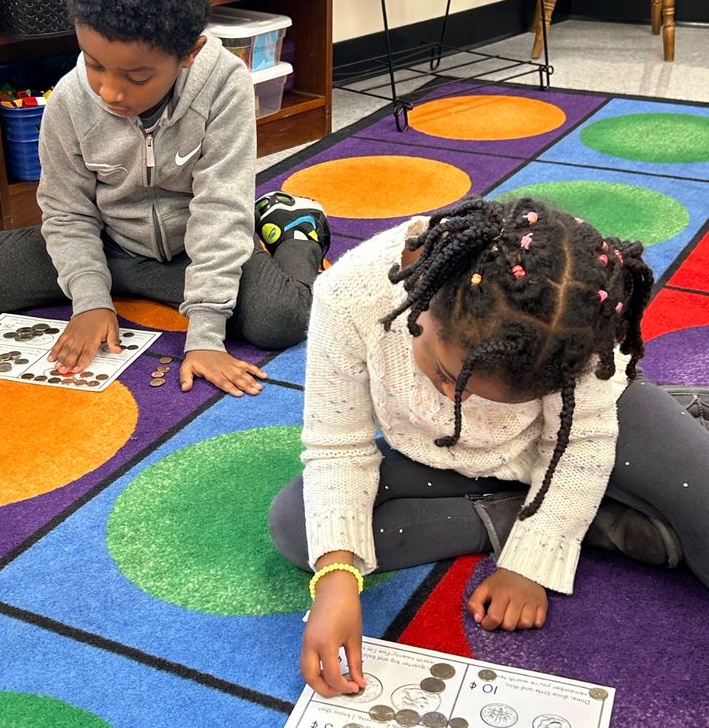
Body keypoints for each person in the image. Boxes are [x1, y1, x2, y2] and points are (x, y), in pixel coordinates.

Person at [268, 196, 709, 697]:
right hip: (452, 457)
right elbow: (337, 447)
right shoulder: (349, 296)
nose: (456, 397)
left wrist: (526, 568)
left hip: (591, 430)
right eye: (445, 373)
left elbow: (580, 440)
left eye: (486, 394)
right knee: (299, 525)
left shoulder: (579, 326)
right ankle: (592, 522)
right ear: (425, 299)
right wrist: (337, 576)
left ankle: (594, 494)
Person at [0, 0, 328, 398]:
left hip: (196, 245)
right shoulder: (71, 99)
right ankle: (125, 281)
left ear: (188, 52)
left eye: (136, 78)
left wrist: (205, 333)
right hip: (111, 243)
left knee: (280, 318)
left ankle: (297, 228)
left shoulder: (223, 84)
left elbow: (220, 211)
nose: (110, 92)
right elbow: (67, 210)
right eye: (95, 64)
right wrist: (89, 297)